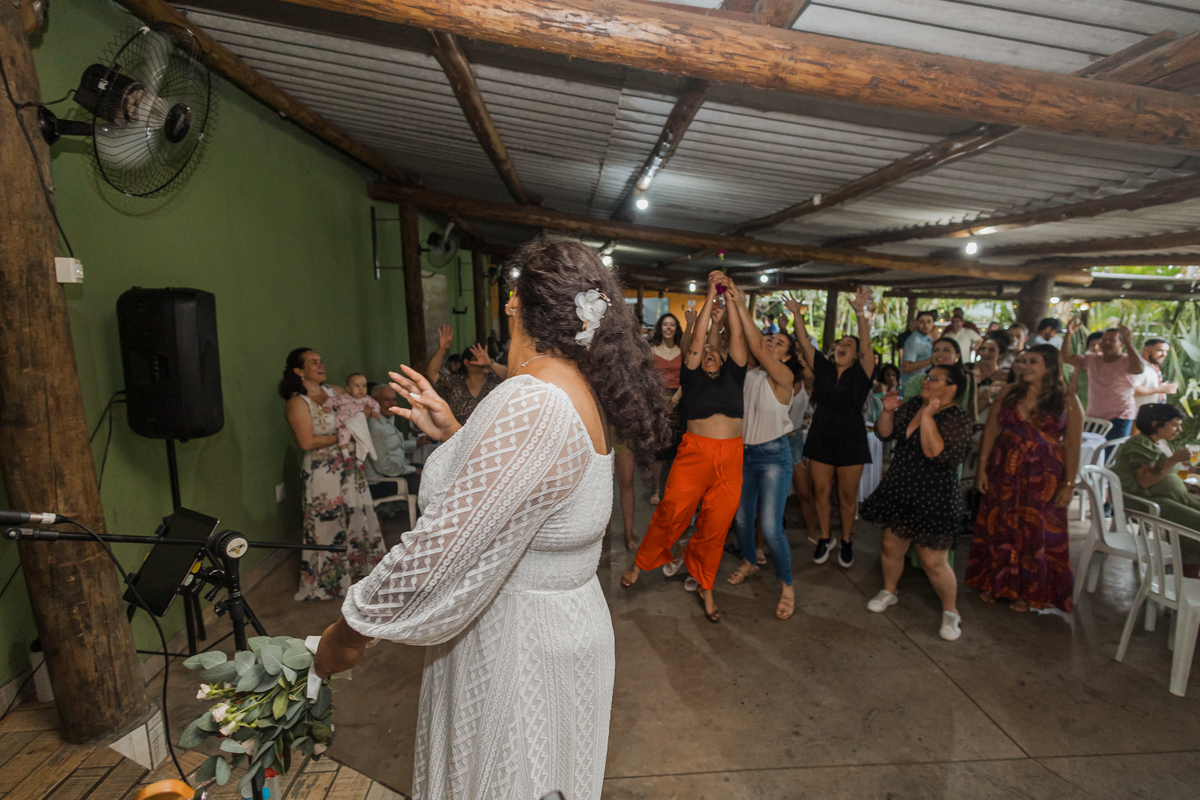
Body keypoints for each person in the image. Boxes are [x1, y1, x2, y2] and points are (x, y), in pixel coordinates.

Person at [313, 238, 672, 800]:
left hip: (518, 647)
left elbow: (436, 552)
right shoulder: (573, 389)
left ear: (513, 302)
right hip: (561, 628)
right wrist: (458, 434)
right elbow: (536, 494)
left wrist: (348, 632)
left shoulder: (532, 400)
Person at [621, 271, 749, 623]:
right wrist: (711, 295)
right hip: (694, 454)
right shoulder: (690, 374)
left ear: (723, 359)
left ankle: (705, 585)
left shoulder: (735, 374)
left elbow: (737, 338)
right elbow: (694, 344)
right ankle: (641, 563)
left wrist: (733, 300)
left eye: (713, 352)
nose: (707, 353)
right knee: (671, 511)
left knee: (716, 525)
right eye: (702, 352)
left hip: (731, 457)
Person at [966, 345, 1083, 612]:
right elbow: (991, 429)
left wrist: (1069, 485)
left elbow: (1073, 445)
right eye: (1023, 361)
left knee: (1035, 531)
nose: (1025, 366)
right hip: (1004, 468)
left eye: (1033, 362)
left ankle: (1026, 593)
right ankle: (997, 584)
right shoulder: (1009, 393)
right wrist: (982, 468)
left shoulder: (1068, 400)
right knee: (1000, 525)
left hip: (1045, 475)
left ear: (1050, 367)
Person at [860, 363, 973, 641]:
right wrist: (887, 411)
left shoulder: (957, 417)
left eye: (934, 378)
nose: (926, 381)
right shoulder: (913, 405)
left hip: (934, 497)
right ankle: (889, 591)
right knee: (890, 547)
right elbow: (884, 434)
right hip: (901, 488)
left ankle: (950, 612)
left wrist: (929, 417)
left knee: (933, 561)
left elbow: (933, 452)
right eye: (926, 376)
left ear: (952, 388)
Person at [280, 349, 386, 601]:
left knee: (356, 515)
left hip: (350, 467)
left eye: (321, 360)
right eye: (313, 362)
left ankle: (359, 568)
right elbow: (306, 441)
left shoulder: (336, 391)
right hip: (322, 469)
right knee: (326, 522)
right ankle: (329, 580)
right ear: (299, 371)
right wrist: (344, 436)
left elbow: (363, 408)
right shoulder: (297, 403)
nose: (321, 364)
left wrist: (357, 424)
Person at [726, 285, 802, 620]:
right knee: (742, 517)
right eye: (770, 340)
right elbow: (742, 342)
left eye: (779, 343)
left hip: (773, 456)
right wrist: (728, 306)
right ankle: (749, 560)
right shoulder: (749, 374)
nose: (771, 344)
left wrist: (741, 304)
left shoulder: (785, 377)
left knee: (770, 527)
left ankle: (787, 585)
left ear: (786, 356)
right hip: (744, 454)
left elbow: (754, 341)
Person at [794, 286, 876, 568]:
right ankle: (825, 537)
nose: (842, 345)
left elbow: (866, 346)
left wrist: (859, 312)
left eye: (848, 345)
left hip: (852, 438)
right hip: (821, 437)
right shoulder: (824, 370)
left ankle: (847, 540)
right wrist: (796, 314)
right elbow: (804, 342)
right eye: (839, 342)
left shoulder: (862, 374)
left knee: (847, 496)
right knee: (820, 491)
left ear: (855, 356)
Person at [1110, 403, 1200, 575]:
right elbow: (1145, 480)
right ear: (1155, 425)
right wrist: (1173, 460)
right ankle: (1185, 575)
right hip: (1146, 502)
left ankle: (1186, 569)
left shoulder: (1159, 443)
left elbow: (1166, 473)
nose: (1179, 429)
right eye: (1174, 424)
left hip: (1166, 497)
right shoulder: (1138, 444)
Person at [1060, 321, 1143, 440]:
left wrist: (1129, 342)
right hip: (1094, 417)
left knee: (1110, 454)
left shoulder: (1126, 361)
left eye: (1112, 340)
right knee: (1092, 453)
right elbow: (1066, 358)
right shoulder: (1092, 360)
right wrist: (1069, 334)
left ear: (1121, 343)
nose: (1106, 343)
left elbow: (1139, 369)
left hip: (1120, 417)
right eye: (1104, 340)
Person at [426, 325, 507, 424]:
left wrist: (490, 363)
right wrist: (442, 349)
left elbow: (512, 377)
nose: (482, 361)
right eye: (478, 357)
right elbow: (432, 375)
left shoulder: (494, 382)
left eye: (485, 357)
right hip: (460, 437)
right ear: (466, 362)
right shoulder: (455, 384)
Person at [649, 312, 684, 507]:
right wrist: (661, 399)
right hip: (658, 400)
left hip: (680, 399)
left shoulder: (683, 351)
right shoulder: (652, 351)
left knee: (678, 448)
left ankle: (674, 488)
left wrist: (676, 399)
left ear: (677, 328)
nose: (668, 328)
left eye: (672, 324)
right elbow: (648, 378)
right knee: (659, 449)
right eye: (665, 324)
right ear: (660, 328)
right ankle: (657, 489)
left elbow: (688, 377)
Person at [364, 383, 420, 500]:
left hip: (395, 472)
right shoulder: (374, 426)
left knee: (431, 469)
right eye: (386, 400)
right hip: (381, 482)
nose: (392, 404)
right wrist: (413, 470)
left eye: (394, 400)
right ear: (375, 402)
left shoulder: (387, 420)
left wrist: (418, 443)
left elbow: (393, 445)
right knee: (424, 480)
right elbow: (383, 466)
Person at [902, 336, 972, 414]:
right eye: (935, 350)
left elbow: (964, 409)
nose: (940, 354)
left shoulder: (965, 381)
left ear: (957, 356)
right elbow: (906, 407)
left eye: (946, 350)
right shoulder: (917, 380)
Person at [327, 373, 382, 457]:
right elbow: (331, 400)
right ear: (348, 389)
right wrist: (327, 406)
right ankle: (345, 453)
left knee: (361, 440)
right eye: (357, 386)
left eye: (364, 386)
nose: (361, 389)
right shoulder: (343, 398)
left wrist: (376, 412)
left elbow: (375, 404)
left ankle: (361, 459)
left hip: (358, 425)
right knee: (344, 435)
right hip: (345, 423)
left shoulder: (366, 399)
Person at [972, 332, 1010, 418]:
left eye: (991, 350)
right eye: (983, 349)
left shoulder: (1005, 377)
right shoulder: (970, 374)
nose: (986, 353)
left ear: (1001, 355)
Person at [1133, 338, 1178, 408]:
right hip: (1138, 415)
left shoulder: (1152, 366)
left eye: (1166, 351)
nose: (1164, 354)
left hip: (1150, 414)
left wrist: (1162, 387)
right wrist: (1161, 389)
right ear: (1147, 350)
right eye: (1160, 350)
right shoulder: (1138, 367)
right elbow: (1132, 390)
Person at [900, 310, 936, 391]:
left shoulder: (928, 338)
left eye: (929, 322)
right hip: (912, 386)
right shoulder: (914, 340)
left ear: (933, 323)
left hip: (922, 384)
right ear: (916, 323)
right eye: (921, 322)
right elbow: (907, 367)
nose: (925, 325)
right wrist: (932, 359)